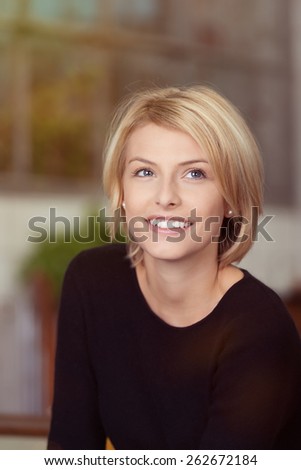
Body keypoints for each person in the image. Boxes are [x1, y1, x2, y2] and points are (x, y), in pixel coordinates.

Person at [47, 85, 301, 450]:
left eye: (195, 174)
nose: (166, 197)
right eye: (145, 172)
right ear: (120, 191)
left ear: (231, 199)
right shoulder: (91, 283)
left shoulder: (259, 327)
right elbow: (70, 451)